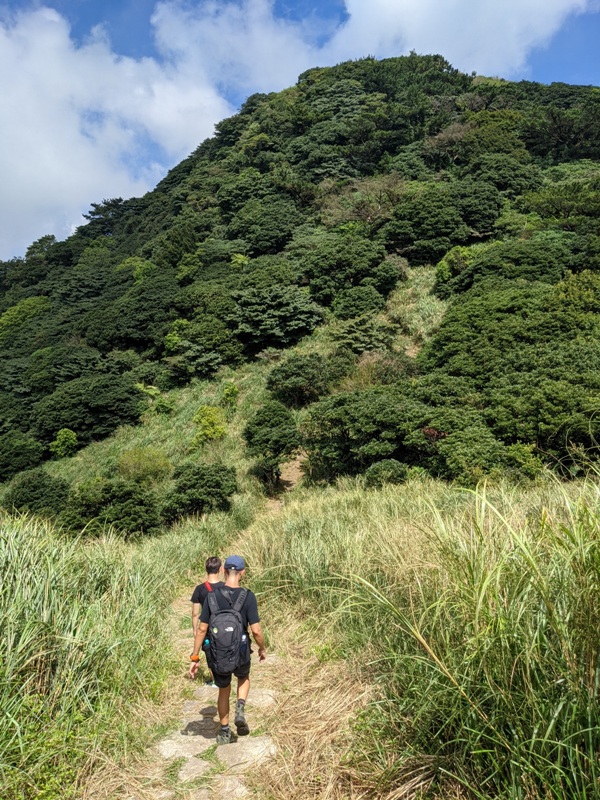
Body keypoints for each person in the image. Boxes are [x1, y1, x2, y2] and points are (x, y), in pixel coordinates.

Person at [189, 555, 266, 745]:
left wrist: (195, 657)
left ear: (223, 571)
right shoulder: (247, 596)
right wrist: (262, 649)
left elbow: (202, 629)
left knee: (223, 690)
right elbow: (256, 630)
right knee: (243, 677)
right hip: (240, 651)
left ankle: (224, 732)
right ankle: (240, 707)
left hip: (218, 653)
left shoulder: (211, 597)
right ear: (243, 573)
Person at [190, 556, 224, 636]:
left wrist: (195, 631)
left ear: (206, 569)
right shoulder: (225, 587)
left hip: (206, 626)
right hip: (223, 625)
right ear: (220, 569)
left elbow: (195, 613)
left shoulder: (199, 589)